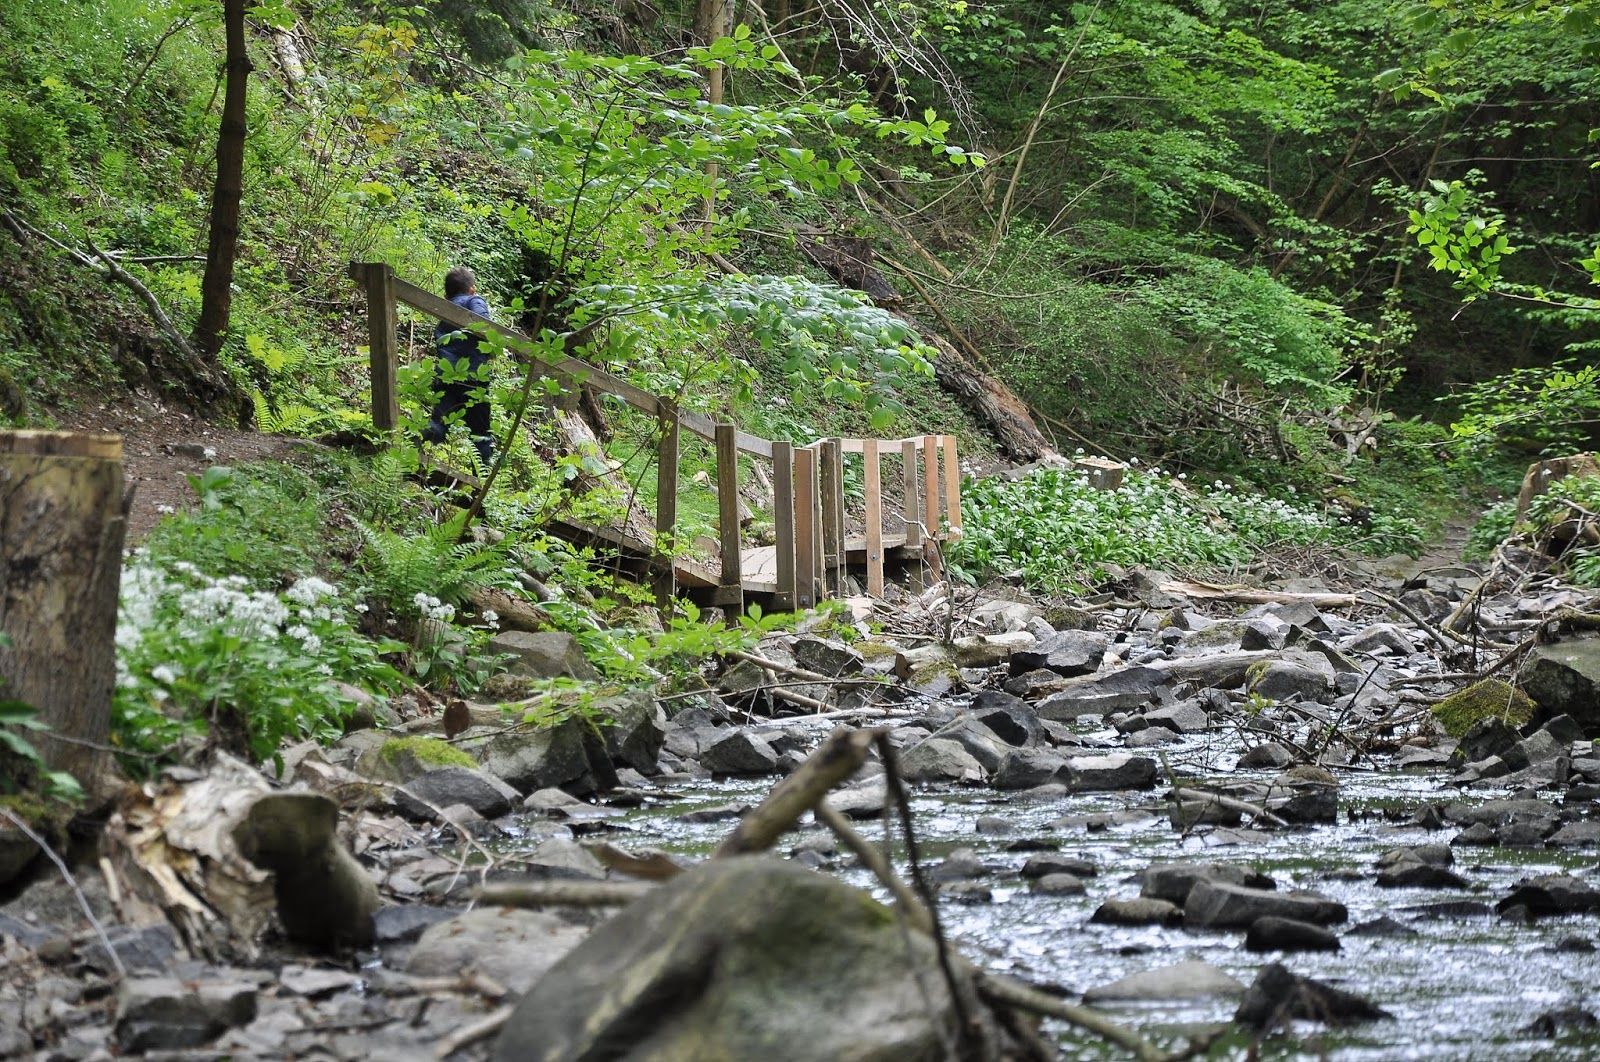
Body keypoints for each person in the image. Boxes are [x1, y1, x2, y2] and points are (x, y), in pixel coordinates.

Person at [422, 266, 496, 466]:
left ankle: (415, 460)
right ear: (472, 289)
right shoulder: (475, 301)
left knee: (439, 422)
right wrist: (492, 349)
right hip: (473, 378)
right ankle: (481, 476)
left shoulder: (445, 312)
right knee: (480, 431)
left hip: (446, 374)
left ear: (446, 294)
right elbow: (484, 326)